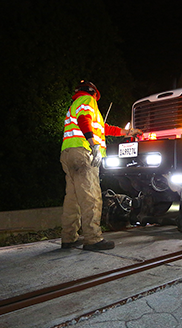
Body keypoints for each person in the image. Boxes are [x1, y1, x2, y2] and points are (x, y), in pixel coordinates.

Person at [60, 80, 138, 251]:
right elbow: (84, 120)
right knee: (91, 196)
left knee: (72, 199)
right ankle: (93, 238)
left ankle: (68, 237)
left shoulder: (76, 103)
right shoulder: (88, 100)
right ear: (94, 93)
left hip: (68, 153)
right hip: (83, 152)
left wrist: (126, 132)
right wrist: (93, 144)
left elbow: (103, 128)